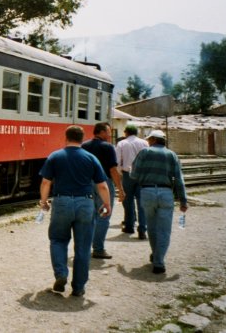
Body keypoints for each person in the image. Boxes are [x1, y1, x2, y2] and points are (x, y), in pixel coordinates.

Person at [39, 125, 111, 298]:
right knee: (83, 247)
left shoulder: (55, 156)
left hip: (62, 201)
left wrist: (43, 202)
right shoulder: (91, 158)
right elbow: (102, 185)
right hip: (85, 203)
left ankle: (61, 273)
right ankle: (78, 287)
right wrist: (107, 204)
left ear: (66, 137)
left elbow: (46, 183)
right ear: (82, 138)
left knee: (57, 240)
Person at [130, 129, 188, 274]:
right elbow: (179, 179)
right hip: (166, 193)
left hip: (147, 192)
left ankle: (156, 256)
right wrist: (183, 200)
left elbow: (133, 174)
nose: (148, 142)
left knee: (152, 227)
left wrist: (144, 176)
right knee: (164, 230)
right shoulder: (172, 155)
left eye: (149, 139)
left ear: (154, 140)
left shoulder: (144, 152)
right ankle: (159, 261)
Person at [82, 122, 124, 259]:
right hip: (103, 184)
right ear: (100, 132)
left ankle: (84, 248)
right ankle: (98, 249)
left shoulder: (84, 146)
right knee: (104, 215)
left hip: (87, 184)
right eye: (108, 132)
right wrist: (121, 190)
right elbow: (113, 170)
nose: (110, 135)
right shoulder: (108, 147)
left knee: (90, 216)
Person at [116, 124, 149, 239]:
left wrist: (121, 172)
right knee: (142, 202)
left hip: (127, 175)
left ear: (126, 132)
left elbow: (117, 161)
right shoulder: (145, 143)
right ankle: (142, 229)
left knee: (127, 200)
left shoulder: (122, 143)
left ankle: (129, 226)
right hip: (141, 175)